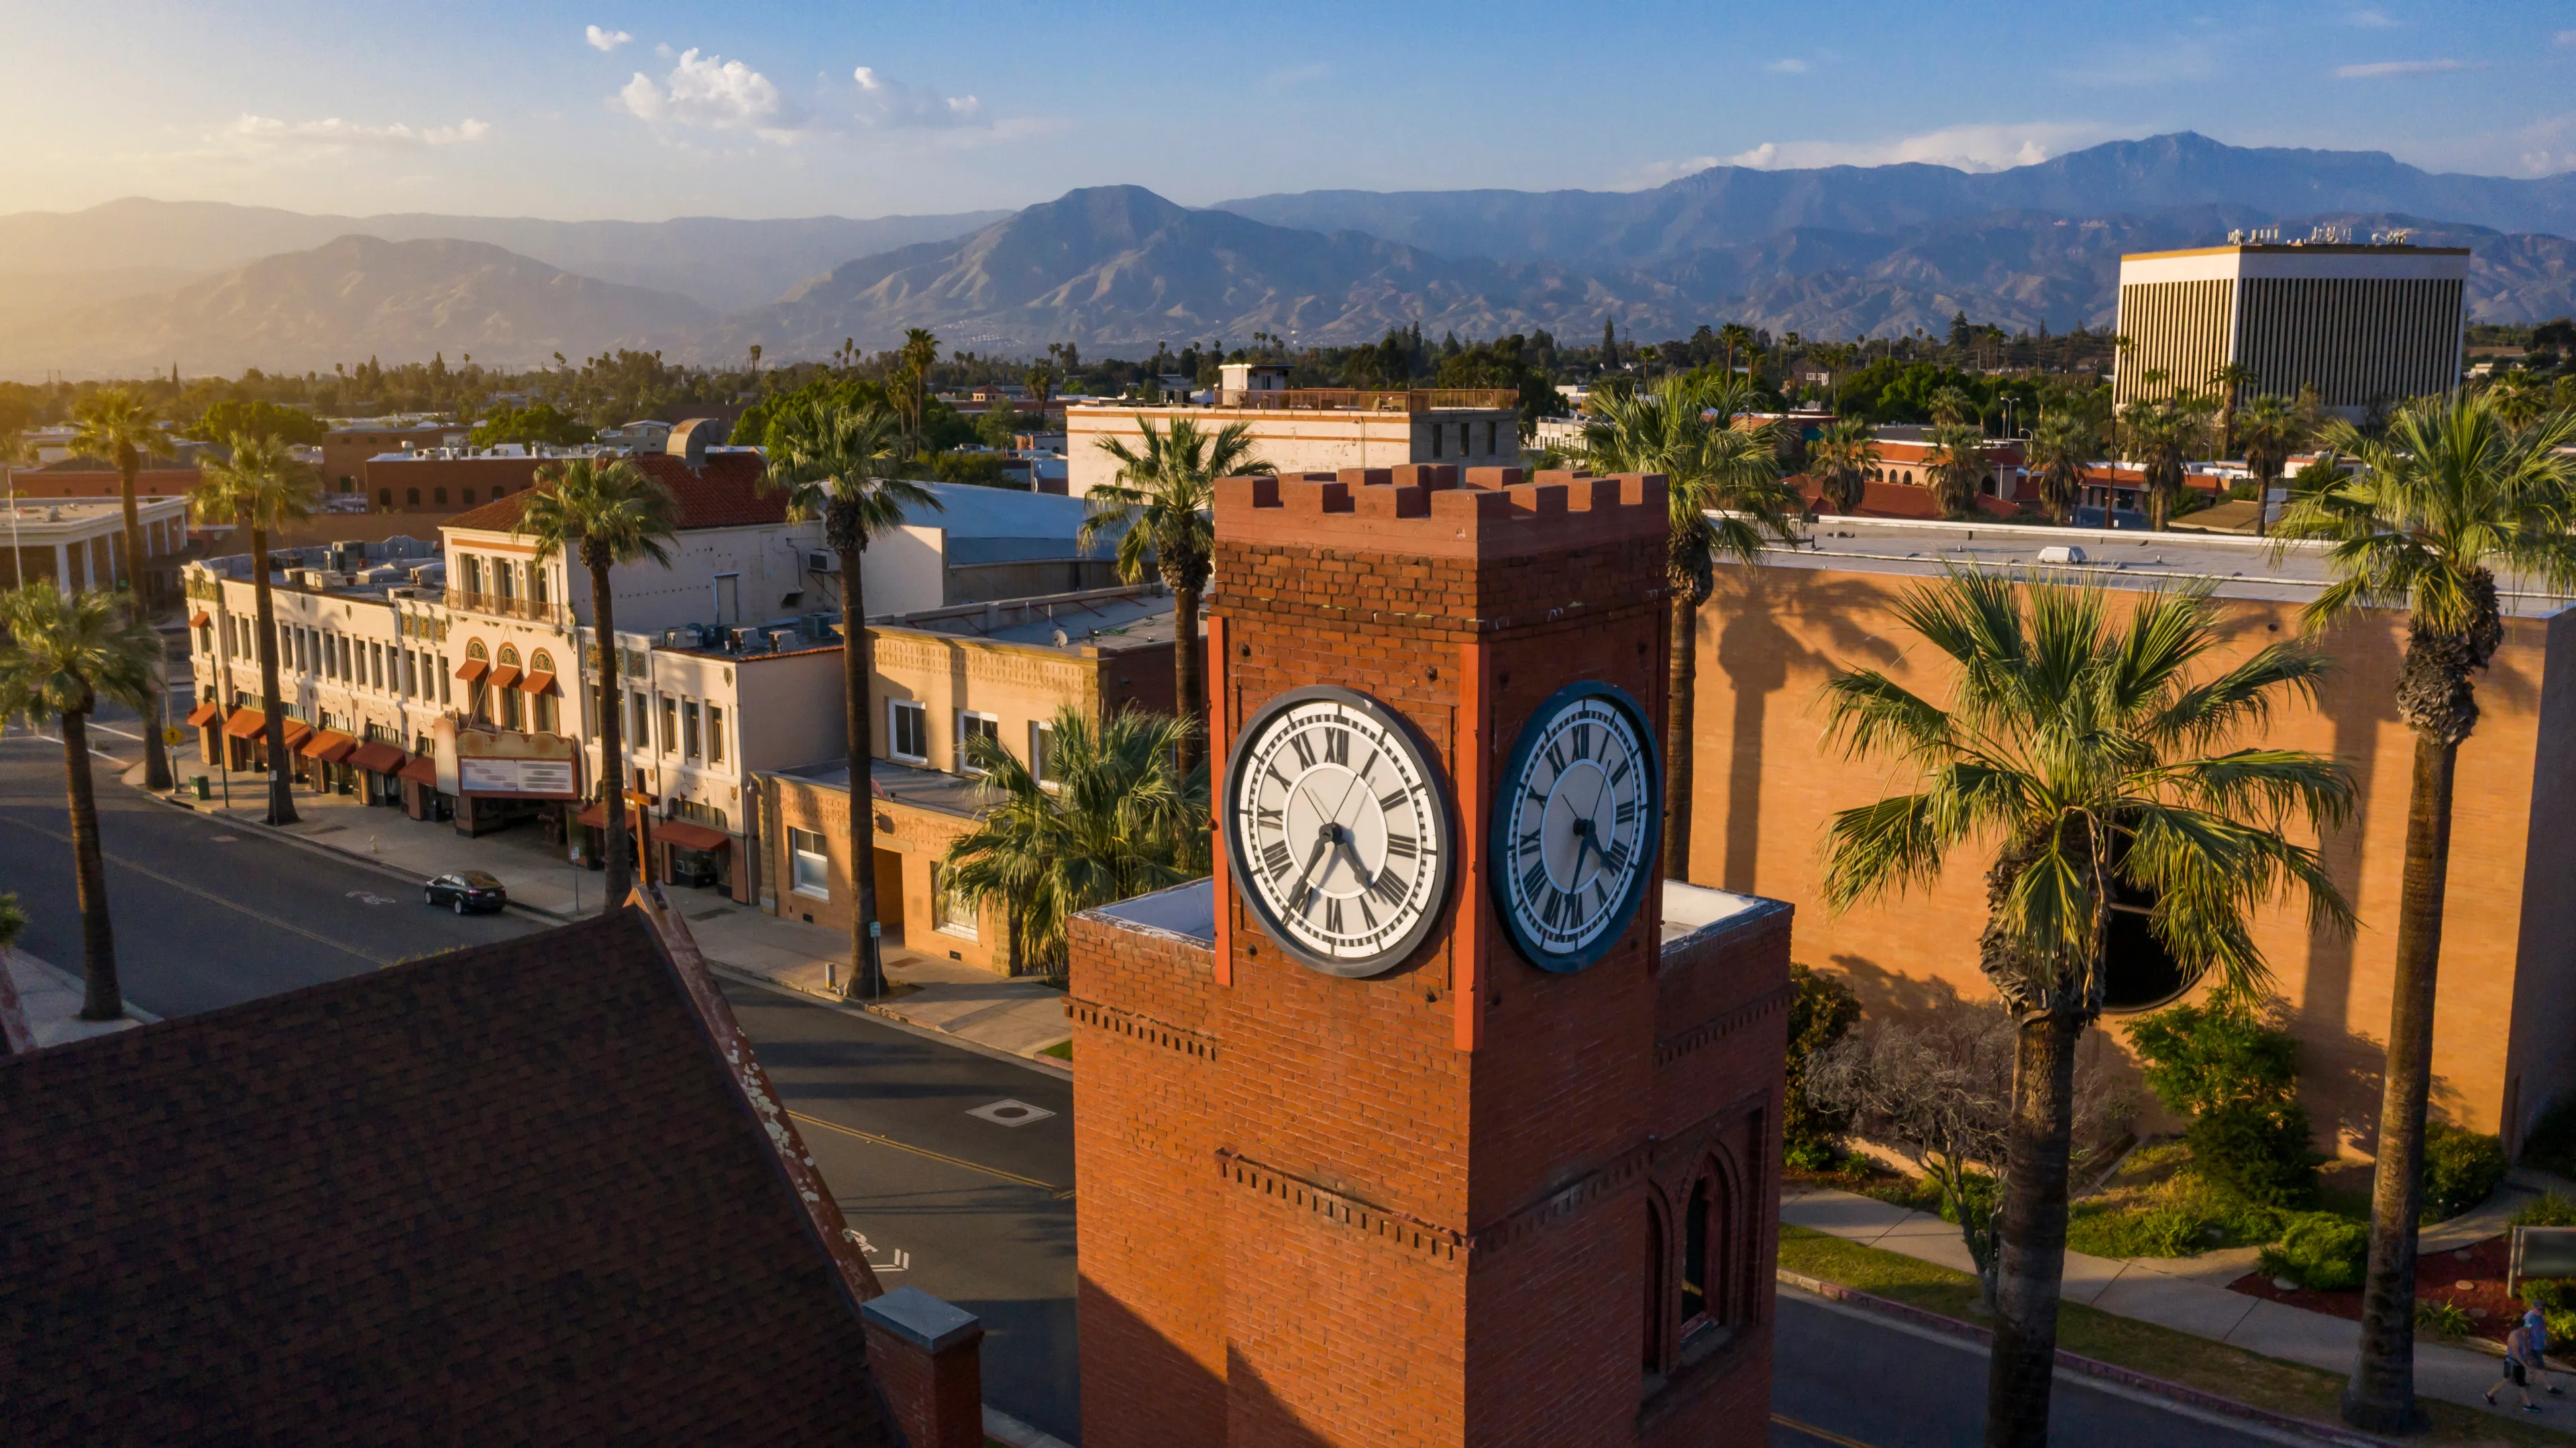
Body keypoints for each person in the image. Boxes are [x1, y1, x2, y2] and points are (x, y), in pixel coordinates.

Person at [2490, 1320, 2545, 1414]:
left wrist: (2527, 1339)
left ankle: (2489, 1394)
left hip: (2518, 1364)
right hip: (2513, 1363)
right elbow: (2516, 1354)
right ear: (2521, 1327)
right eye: (2526, 1326)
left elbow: (2526, 1351)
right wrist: (2526, 1366)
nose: (2528, 1328)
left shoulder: (2522, 1335)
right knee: (2517, 1383)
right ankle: (2528, 1405)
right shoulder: (2514, 1336)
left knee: (2514, 1382)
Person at [2528, 1306, 2565, 1397]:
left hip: (2536, 1347)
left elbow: (2543, 1334)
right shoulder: (2532, 1319)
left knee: (2535, 1366)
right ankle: (2549, 1387)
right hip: (2534, 1347)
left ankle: (2528, 1382)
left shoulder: (2539, 1321)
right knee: (2541, 1367)